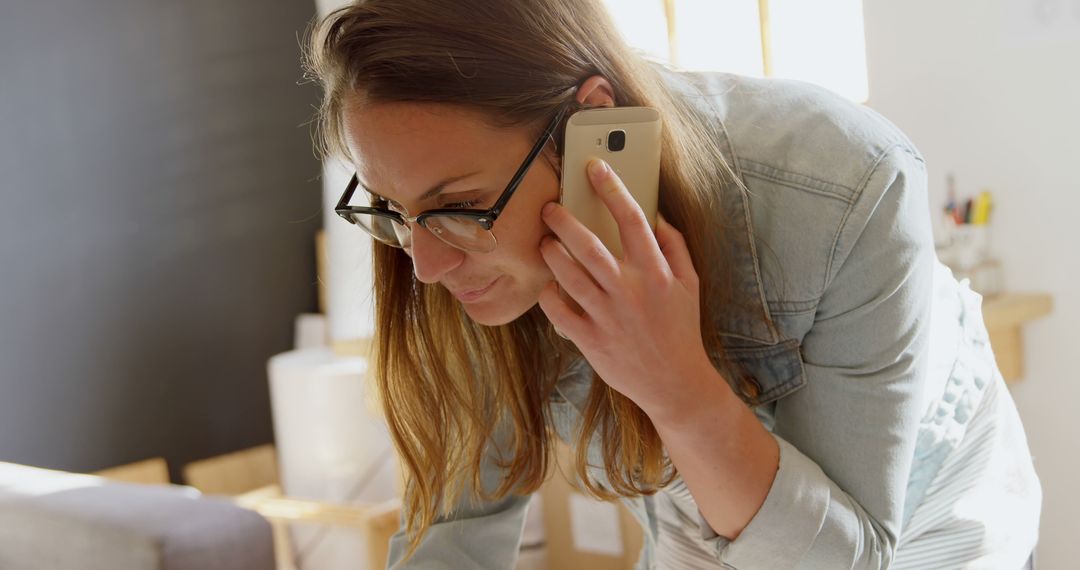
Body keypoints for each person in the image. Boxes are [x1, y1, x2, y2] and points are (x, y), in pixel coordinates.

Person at [305, 0, 1042, 567]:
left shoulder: (845, 183)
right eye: (392, 211)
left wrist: (675, 388)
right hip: (716, 517)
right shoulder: (452, 254)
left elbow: (844, 558)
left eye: (460, 208)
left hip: (935, 520)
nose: (424, 267)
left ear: (589, 121)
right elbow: (453, 535)